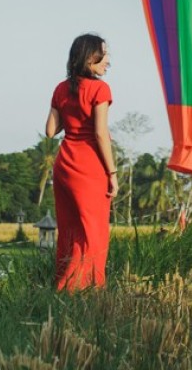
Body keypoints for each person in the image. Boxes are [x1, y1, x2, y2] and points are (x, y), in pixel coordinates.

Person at [45, 33, 118, 291]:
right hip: (90, 167)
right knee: (93, 232)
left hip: (64, 165)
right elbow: (100, 133)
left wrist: (70, 108)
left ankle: (64, 283)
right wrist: (113, 172)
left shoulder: (61, 89)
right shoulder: (100, 89)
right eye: (104, 53)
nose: (108, 60)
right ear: (89, 59)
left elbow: (50, 130)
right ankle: (86, 289)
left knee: (69, 230)